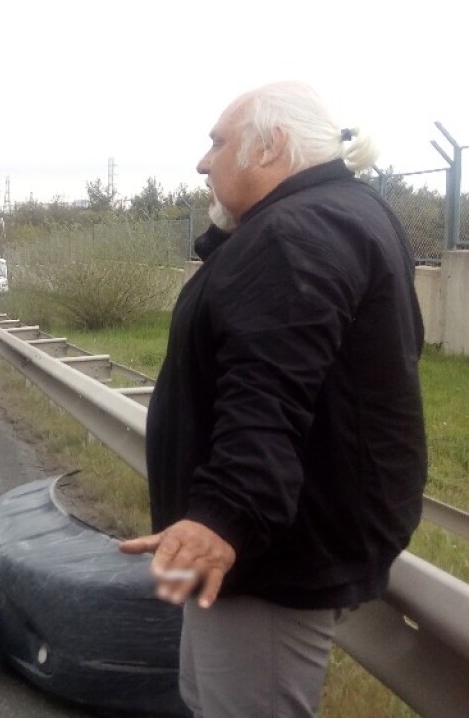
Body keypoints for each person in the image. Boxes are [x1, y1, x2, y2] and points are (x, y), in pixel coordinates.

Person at [119, 81, 427, 717]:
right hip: (260, 539)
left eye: (217, 143)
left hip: (271, 554)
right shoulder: (336, 213)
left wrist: (224, 518)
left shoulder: (296, 233)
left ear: (271, 147)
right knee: (206, 700)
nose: (203, 163)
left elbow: (270, 389)